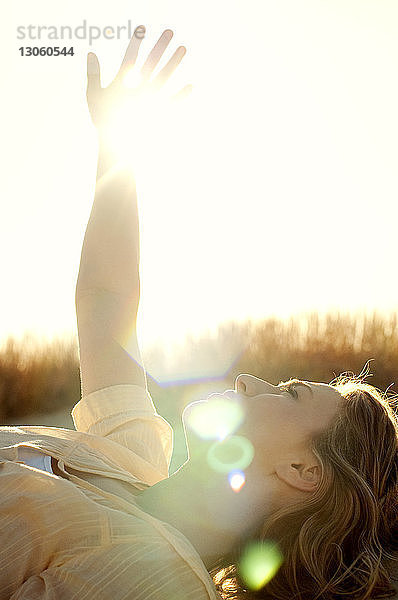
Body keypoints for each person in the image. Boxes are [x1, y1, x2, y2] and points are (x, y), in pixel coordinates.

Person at [0, 25, 397, 600]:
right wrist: (119, 146)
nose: (249, 379)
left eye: (287, 393)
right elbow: (107, 303)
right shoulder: (131, 461)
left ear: (304, 472)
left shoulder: (157, 583)